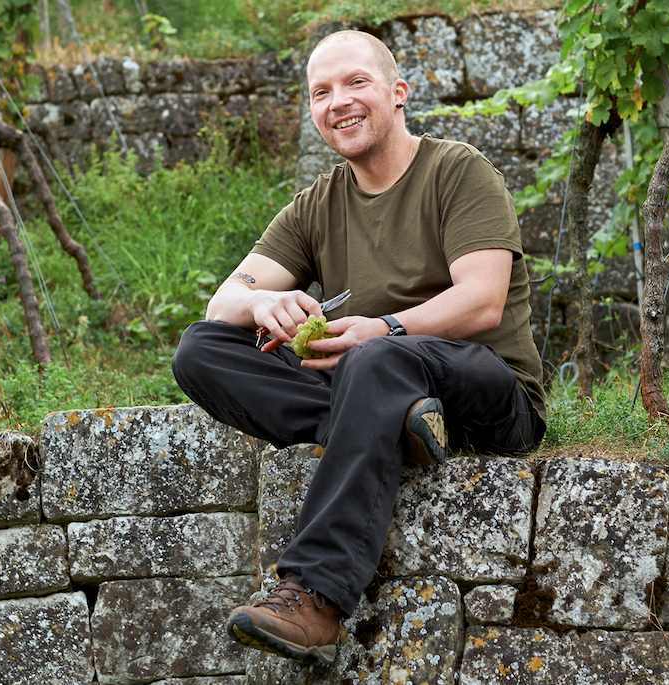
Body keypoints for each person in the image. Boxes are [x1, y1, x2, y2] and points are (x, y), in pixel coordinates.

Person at [171, 29, 546, 666]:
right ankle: (394, 423)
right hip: (377, 378)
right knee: (201, 350)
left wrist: (384, 329)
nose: (338, 101)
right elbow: (223, 302)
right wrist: (265, 304)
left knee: (374, 358)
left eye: (356, 83)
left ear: (398, 93)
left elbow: (482, 299)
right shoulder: (318, 203)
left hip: (487, 388)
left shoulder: (458, 170)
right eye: (321, 92)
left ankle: (315, 597)